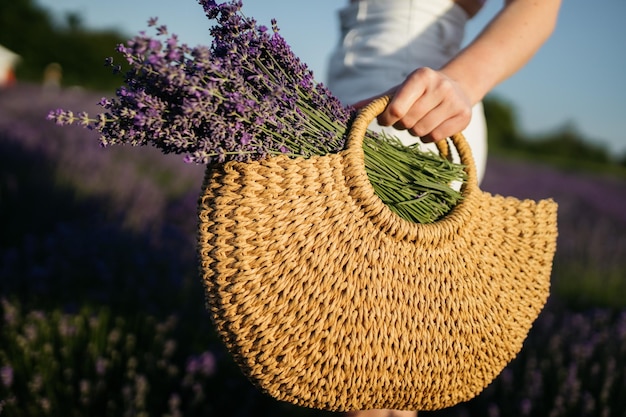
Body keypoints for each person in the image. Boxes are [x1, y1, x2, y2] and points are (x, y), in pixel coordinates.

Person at [326, 0, 561, 416]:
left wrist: (462, 82)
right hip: (343, 112)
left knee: (364, 372)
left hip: (413, 115)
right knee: (368, 371)